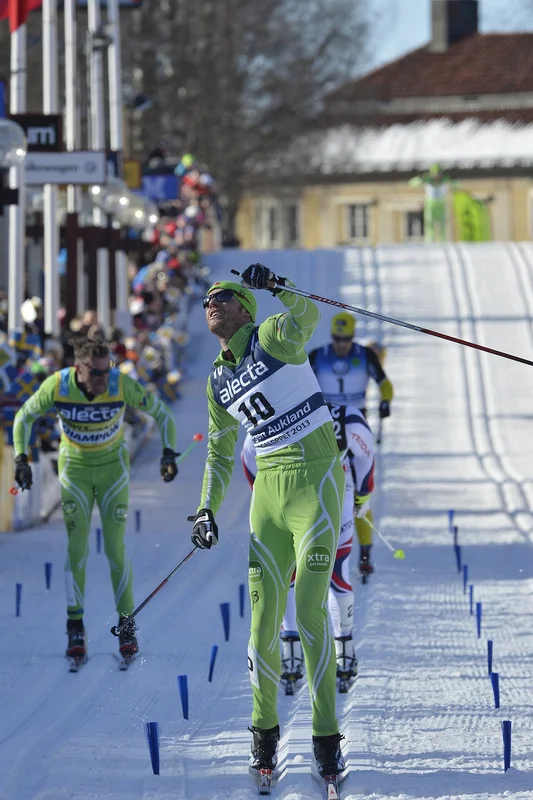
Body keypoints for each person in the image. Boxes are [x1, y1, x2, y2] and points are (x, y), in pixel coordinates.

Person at [189, 266, 346, 781]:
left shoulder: (271, 335)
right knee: (260, 626)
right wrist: (207, 509)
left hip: (315, 482)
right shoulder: (217, 379)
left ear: (245, 309)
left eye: (224, 296)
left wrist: (276, 285)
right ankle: (264, 739)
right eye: (207, 298)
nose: (212, 302)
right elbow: (218, 453)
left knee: (308, 613)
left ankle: (326, 740)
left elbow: (308, 314)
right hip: (269, 497)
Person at [13, 338, 179, 663]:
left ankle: (126, 623)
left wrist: (168, 454)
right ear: (79, 368)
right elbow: (23, 417)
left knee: (115, 547)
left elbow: (163, 414)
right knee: (77, 547)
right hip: (75, 468)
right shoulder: (58, 384)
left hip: (112, 469)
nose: (103, 380)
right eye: (96, 373)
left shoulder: (120, 384)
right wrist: (21, 459)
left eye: (107, 371)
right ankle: (75, 625)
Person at [241, 399, 375, 689]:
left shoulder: (278, 410)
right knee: (324, 569)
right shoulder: (344, 415)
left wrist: (263, 491)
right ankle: (332, 650)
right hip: (330, 491)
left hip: (302, 492)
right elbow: (365, 455)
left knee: (311, 569)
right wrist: (363, 493)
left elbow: (249, 458)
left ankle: (312, 651)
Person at [309, 312, 393, 578]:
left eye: (345, 339)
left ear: (352, 337)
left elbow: (385, 383)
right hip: (325, 426)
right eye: (337, 338)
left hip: (357, 425)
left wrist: (385, 402)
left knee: (361, 491)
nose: (341, 344)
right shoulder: (318, 356)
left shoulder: (365, 355)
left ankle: (365, 554)